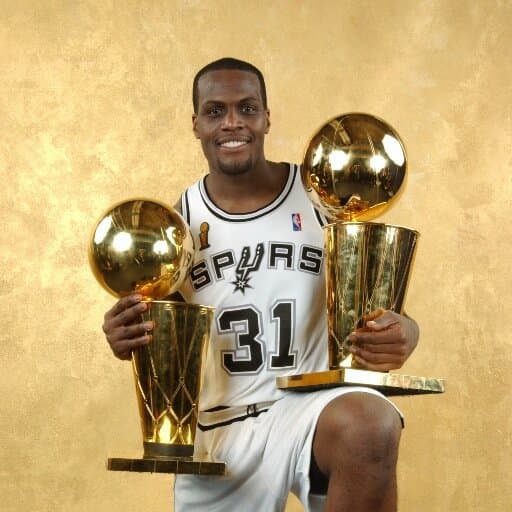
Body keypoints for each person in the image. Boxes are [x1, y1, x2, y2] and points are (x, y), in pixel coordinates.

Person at [102, 57, 419, 512]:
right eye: (215, 111)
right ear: (195, 125)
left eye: (247, 108)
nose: (233, 123)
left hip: (308, 408)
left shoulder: (320, 200)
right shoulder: (176, 223)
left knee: (371, 424)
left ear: (267, 118)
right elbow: (158, 336)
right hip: (218, 429)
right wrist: (125, 336)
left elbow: (386, 311)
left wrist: (404, 333)